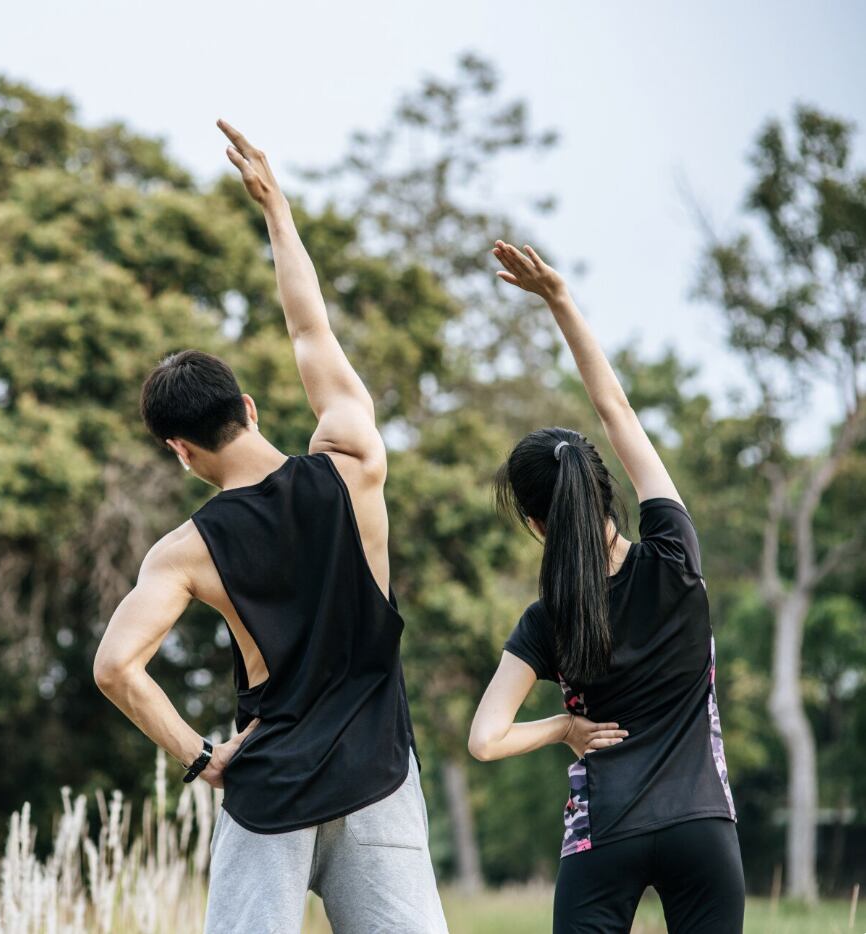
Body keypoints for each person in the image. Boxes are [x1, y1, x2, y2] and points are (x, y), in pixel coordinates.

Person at [93, 120, 447, 934]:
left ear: (180, 451)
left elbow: (116, 667)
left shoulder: (184, 553)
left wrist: (199, 756)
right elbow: (308, 331)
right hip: (379, 781)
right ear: (248, 407)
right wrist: (276, 212)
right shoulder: (352, 457)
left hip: (272, 792)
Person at [468, 241, 745, 933]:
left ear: (537, 522)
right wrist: (559, 299)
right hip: (701, 825)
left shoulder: (546, 621)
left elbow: (485, 740)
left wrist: (564, 726)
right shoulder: (675, 555)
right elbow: (615, 410)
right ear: (607, 489)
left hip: (604, 835)